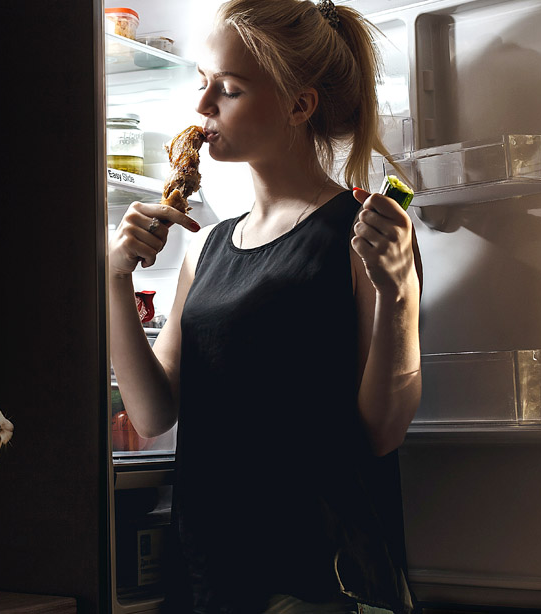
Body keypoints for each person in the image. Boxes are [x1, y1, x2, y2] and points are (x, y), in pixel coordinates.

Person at [107, 1, 423, 613]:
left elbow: (381, 432)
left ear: (299, 105)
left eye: (227, 90)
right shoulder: (210, 247)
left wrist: (400, 294)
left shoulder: (360, 236)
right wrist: (115, 279)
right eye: (202, 85)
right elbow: (151, 413)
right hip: (208, 567)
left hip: (317, 573)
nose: (202, 108)